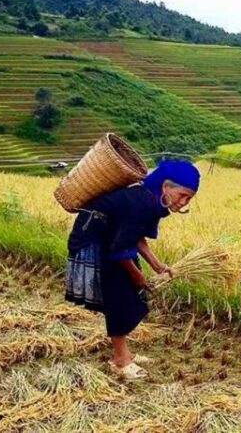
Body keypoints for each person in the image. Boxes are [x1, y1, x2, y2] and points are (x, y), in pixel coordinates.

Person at [64, 158, 199, 379]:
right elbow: (120, 249)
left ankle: (124, 353)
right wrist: (137, 276)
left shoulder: (152, 199)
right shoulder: (142, 203)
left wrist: (156, 265)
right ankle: (120, 360)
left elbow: (135, 236)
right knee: (119, 295)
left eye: (189, 198)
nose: (184, 202)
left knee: (129, 293)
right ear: (165, 186)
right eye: (182, 195)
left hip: (112, 238)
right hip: (94, 238)